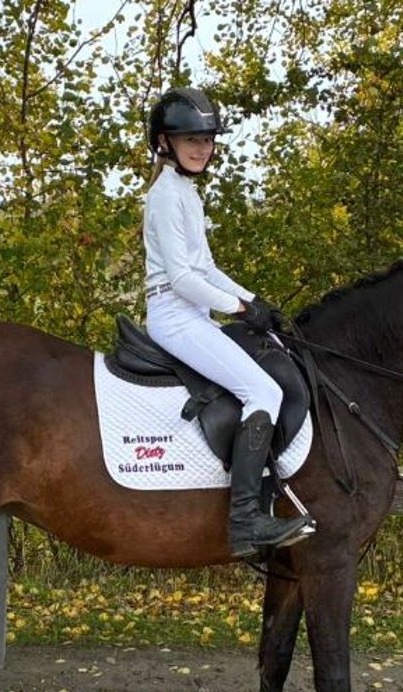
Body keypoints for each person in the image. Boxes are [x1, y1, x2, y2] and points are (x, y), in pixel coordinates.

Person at [143, 87, 312, 557]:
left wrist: (255, 300)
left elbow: (208, 268)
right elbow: (180, 278)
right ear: (165, 142)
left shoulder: (186, 193)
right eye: (190, 139)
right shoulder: (164, 196)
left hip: (192, 313)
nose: (202, 147)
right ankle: (245, 521)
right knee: (265, 392)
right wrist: (237, 310)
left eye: (208, 139)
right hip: (175, 315)